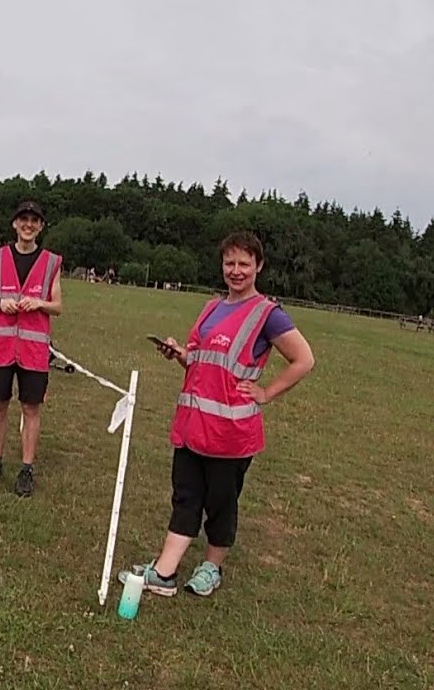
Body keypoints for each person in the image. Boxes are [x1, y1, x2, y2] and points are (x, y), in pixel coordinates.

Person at [117, 231, 315, 597]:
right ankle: (165, 573)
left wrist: (267, 392)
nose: (235, 271)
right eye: (229, 263)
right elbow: (202, 361)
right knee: (186, 497)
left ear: (258, 266)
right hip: (193, 426)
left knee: (221, 504)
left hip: (231, 434)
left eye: (244, 263)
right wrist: (179, 353)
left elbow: (304, 359)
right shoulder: (211, 308)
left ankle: (212, 567)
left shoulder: (268, 314)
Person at [0, 200, 63, 497]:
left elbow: (58, 306)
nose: (28, 224)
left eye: (34, 220)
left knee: (31, 408)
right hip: (1, 347)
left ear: (40, 227)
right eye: (23, 219)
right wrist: (1, 302)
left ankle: (26, 468)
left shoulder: (52, 262)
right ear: (15, 224)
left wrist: (40, 303)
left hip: (34, 350)